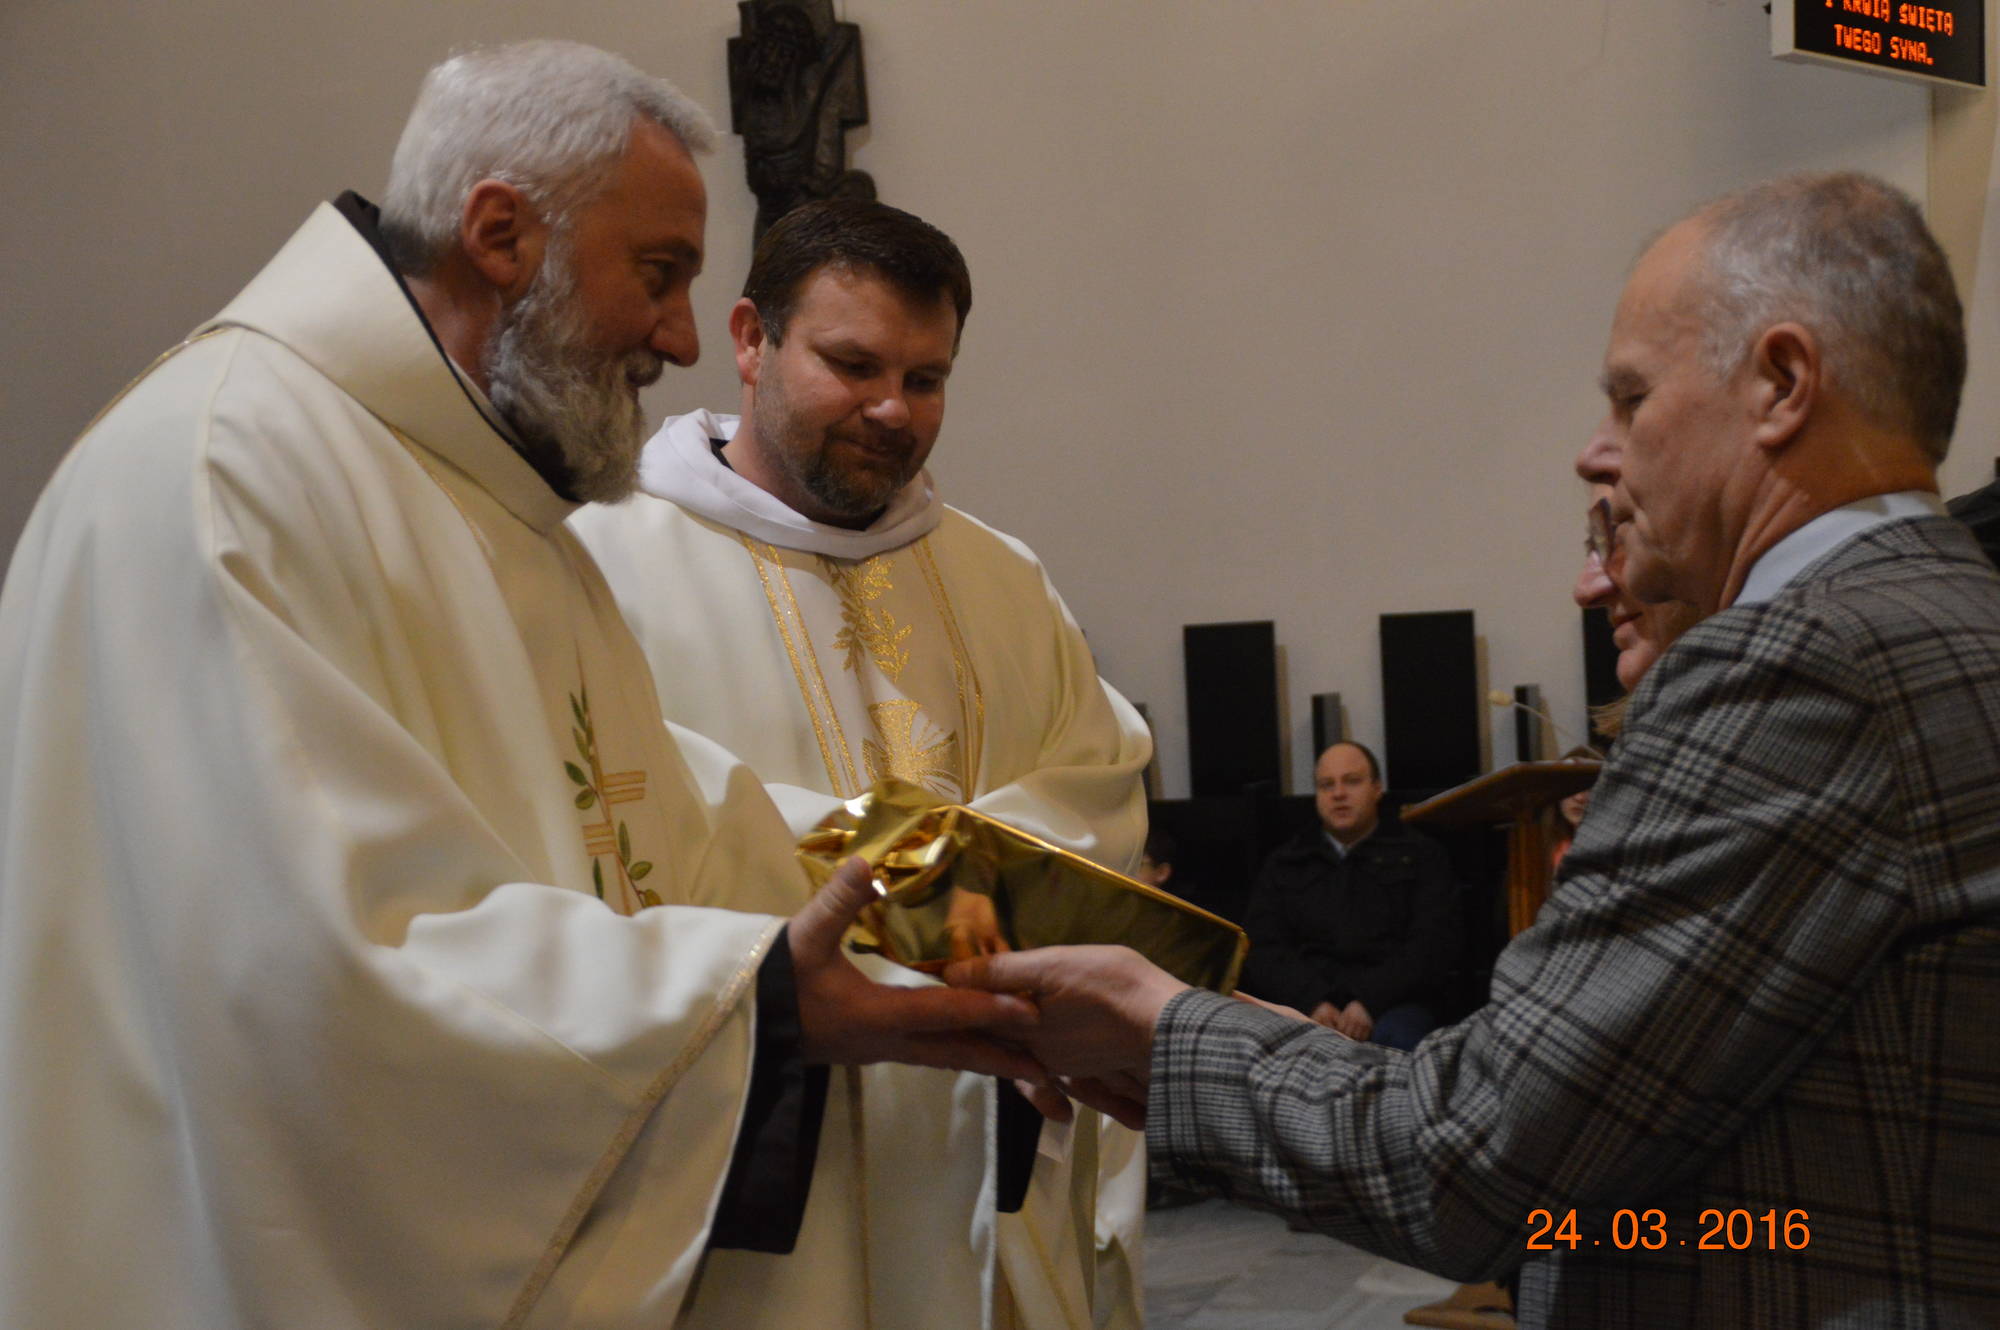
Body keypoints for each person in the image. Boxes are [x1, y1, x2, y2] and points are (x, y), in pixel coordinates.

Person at [0, 41, 1048, 1330]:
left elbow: (657, 810)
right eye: (657, 273)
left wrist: (945, 906)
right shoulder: (229, 475)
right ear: (499, 234)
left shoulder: (476, 490)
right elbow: (319, 974)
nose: (677, 336)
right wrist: (761, 993)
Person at [943, 172, 2000, 1326]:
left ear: (1782, 384)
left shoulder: (1799, 663)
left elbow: (1471, 1160)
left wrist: (1163, 1027)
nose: (1596, 453)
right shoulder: (1947, 615)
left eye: (1630, 398)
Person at [568, 198, 1152, 1328]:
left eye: (926, 379)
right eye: (853, 365)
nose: (893, 409)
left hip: (982, 1140)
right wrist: (937, 881)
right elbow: (626, 813)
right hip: (753, 1155)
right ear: (751, 339)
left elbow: (1099, 785)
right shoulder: (602, 563)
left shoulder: (1001, 576)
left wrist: (886, 880)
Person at [1239, 741, 1459, 1050]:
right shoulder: (1286, 862)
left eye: (1352, 781)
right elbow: (1262, 947)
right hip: (1305, 1006)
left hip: (1394, 1005)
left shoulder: (1421, 855)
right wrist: (1313, 1000)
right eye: (1326, 785)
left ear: (1377, 789)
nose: (1338, 793)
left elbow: (1432, 943)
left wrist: (1368, 1000)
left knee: (1399, 1039)